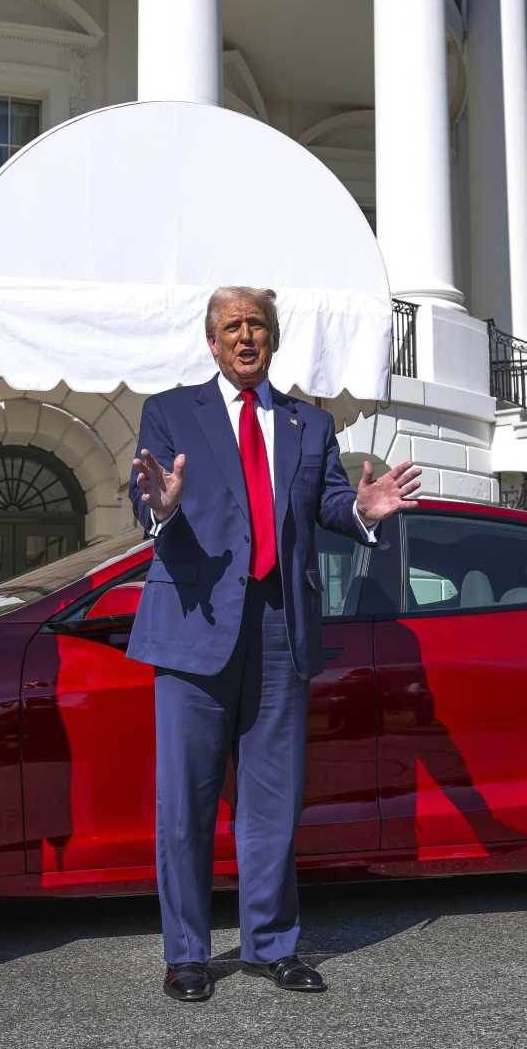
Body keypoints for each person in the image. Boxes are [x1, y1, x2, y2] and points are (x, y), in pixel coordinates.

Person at [127, 286, 421, 1002]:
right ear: (212, 340)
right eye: (232, 326)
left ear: (275, 338)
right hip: (195, 629)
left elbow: (325, 502)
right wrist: (160, 506)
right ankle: (188, 953)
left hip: (279, 629)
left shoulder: (308, 423)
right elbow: (145, 496)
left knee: (274, 801)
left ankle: (270, 944)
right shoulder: (170, 412)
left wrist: (360, 509)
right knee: (186, 804)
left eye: (257, 324)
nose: (246, 336)